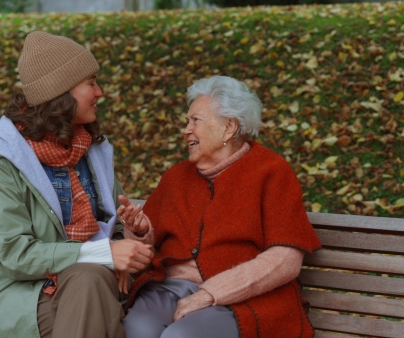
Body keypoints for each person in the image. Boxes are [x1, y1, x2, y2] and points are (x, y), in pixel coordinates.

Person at [0, 31, 153, 338]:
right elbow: (14, 255)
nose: (100, 92)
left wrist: (133, 232)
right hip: (24, 294)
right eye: (91, 82)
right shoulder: (0, 161)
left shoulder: (90, 149)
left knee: (89, 283)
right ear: (61, 93)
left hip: (94, 284)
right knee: (92, 289)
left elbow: (114, 228)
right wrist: (102, 254)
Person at [117, 75, 321, 338]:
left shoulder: (271, 172)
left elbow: (285, 260)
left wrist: (212, 293)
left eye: (196, 121)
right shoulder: (176, 178)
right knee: (136, 330)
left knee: (181, 337)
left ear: (229, 128)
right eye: (187, 121)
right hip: (168, 291)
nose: (186, 130)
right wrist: (141, 232)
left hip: (243, 300)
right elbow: (146, 255)